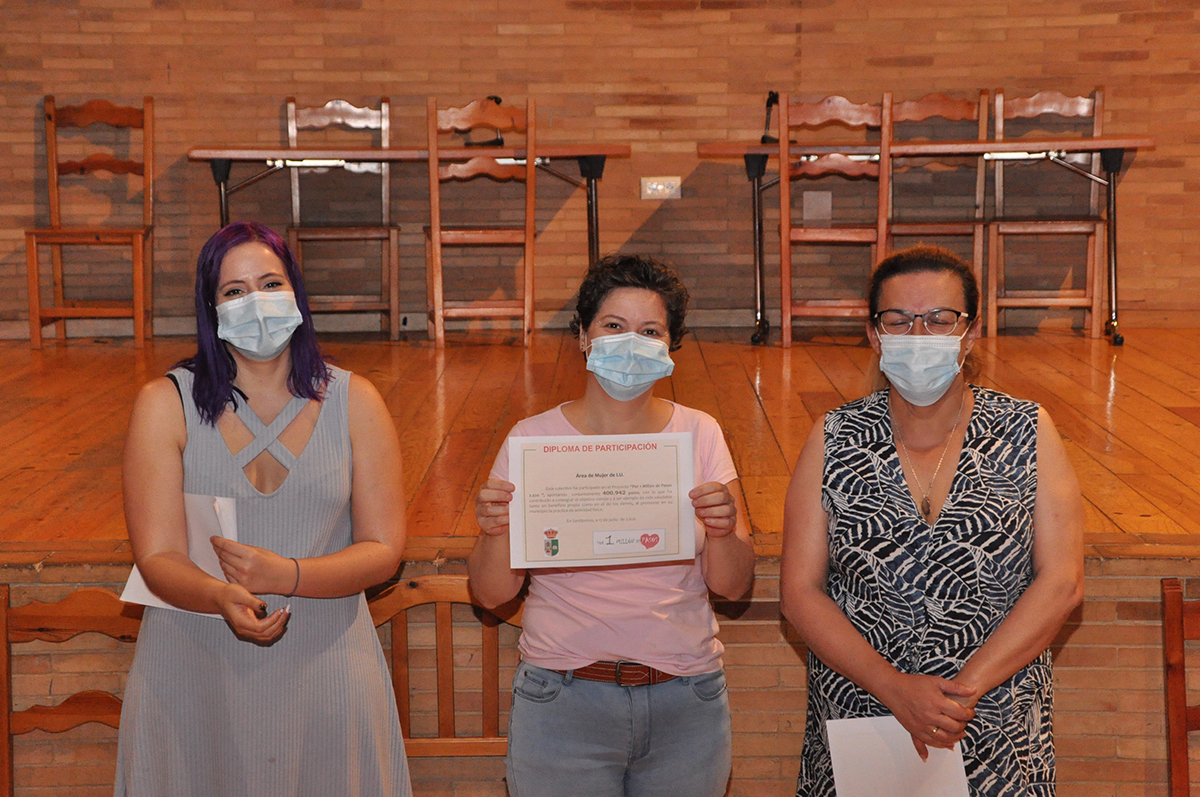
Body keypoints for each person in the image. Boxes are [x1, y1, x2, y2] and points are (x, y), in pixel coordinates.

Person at [116, 222, 411, 797]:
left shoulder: (356, 400)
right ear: (211, 308)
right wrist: (219, 596)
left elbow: (384, 549)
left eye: (271, 283)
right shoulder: (164, 403)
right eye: (235, 290)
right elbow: (156, 556)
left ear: (296, 292)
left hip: (327, 670)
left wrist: (288, 575)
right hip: (194, 670)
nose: (256, 301)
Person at [781, 245, 1084, 797]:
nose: (918, 334)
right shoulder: (833, 436)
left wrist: (957, 696)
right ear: (874, 336)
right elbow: (800, 592)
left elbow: (1062, 581)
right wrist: (894, 688)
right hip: (863, 717)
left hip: (993, 721)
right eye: (898, 320)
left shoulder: (1027, 429)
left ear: (970, 334)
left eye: (940, 319)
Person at [468, 253, 756, 797]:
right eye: (614, 326)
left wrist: (723, 530)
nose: (631, 343)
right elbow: (490, 594)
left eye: (650, 331)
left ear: (670, 346)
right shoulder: (532, 441)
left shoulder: (700, 432)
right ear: (583, 336)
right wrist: (495, 530)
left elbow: (734, 585)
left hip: (685, 697)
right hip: (561, 697)